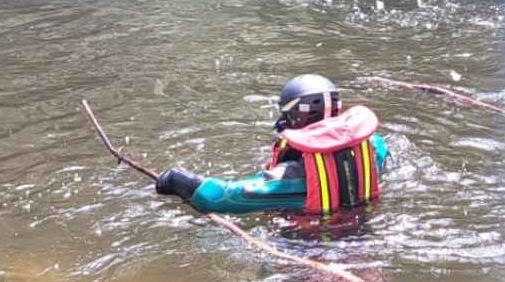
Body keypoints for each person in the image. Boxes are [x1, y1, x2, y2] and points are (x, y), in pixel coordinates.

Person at [153, 74, 391, 214]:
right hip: (365, 231)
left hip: (308, 249)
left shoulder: (290, 175)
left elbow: (224, 198)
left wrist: (176, 180)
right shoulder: (374, 148)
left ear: (295, 116)